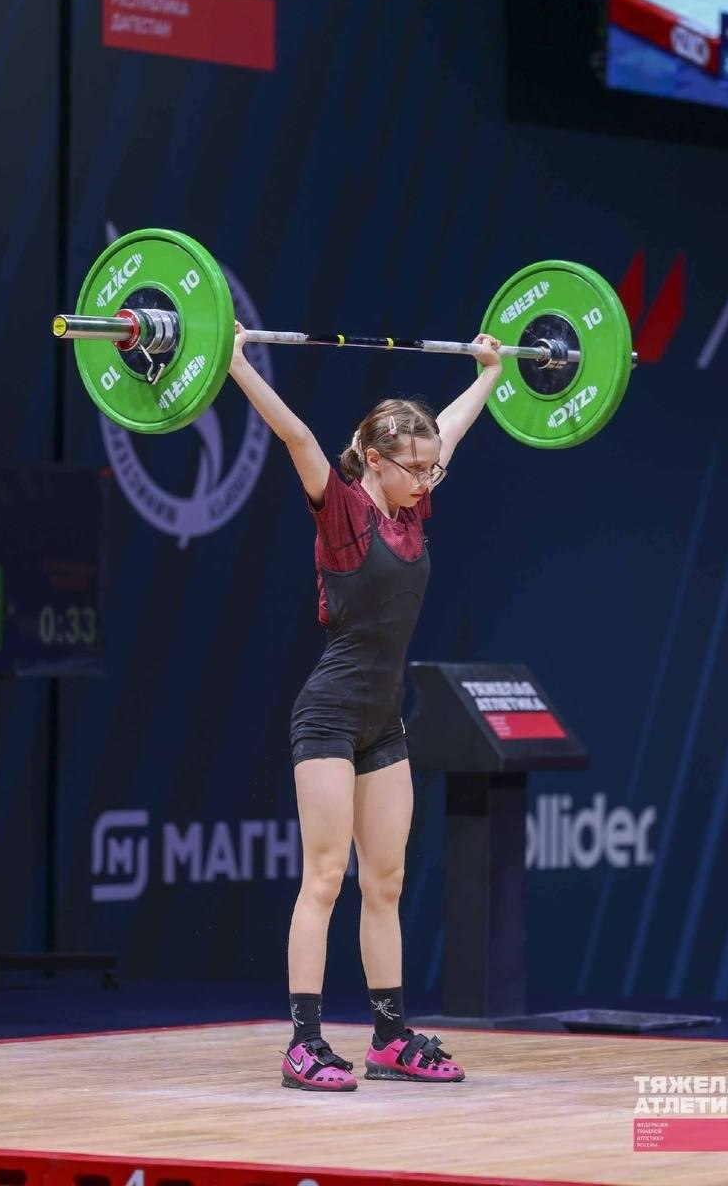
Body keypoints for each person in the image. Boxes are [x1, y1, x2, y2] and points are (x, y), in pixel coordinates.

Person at [229, 322, 502, 1091]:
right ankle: (303, 1043)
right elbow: (296, 436)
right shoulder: (343, 509)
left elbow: (449, 431)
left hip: (383, 723)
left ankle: (388, 1037)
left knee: (384, 881)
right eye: (415, 468)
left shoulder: (410, 509)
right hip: (327, 716)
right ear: (375, 461)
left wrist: (488, 373)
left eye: (432, 468)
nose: (427, 479)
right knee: (324, 877)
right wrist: (234, 361)